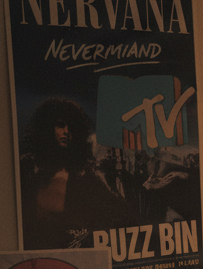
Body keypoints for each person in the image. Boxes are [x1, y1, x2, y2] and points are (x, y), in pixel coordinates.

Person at [18, 96, 135, 249]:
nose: (67, 132)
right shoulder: (27, 167)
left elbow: (120, 211)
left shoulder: (83, 174)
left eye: (72, 127)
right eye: (60, 125)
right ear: (46, 127)